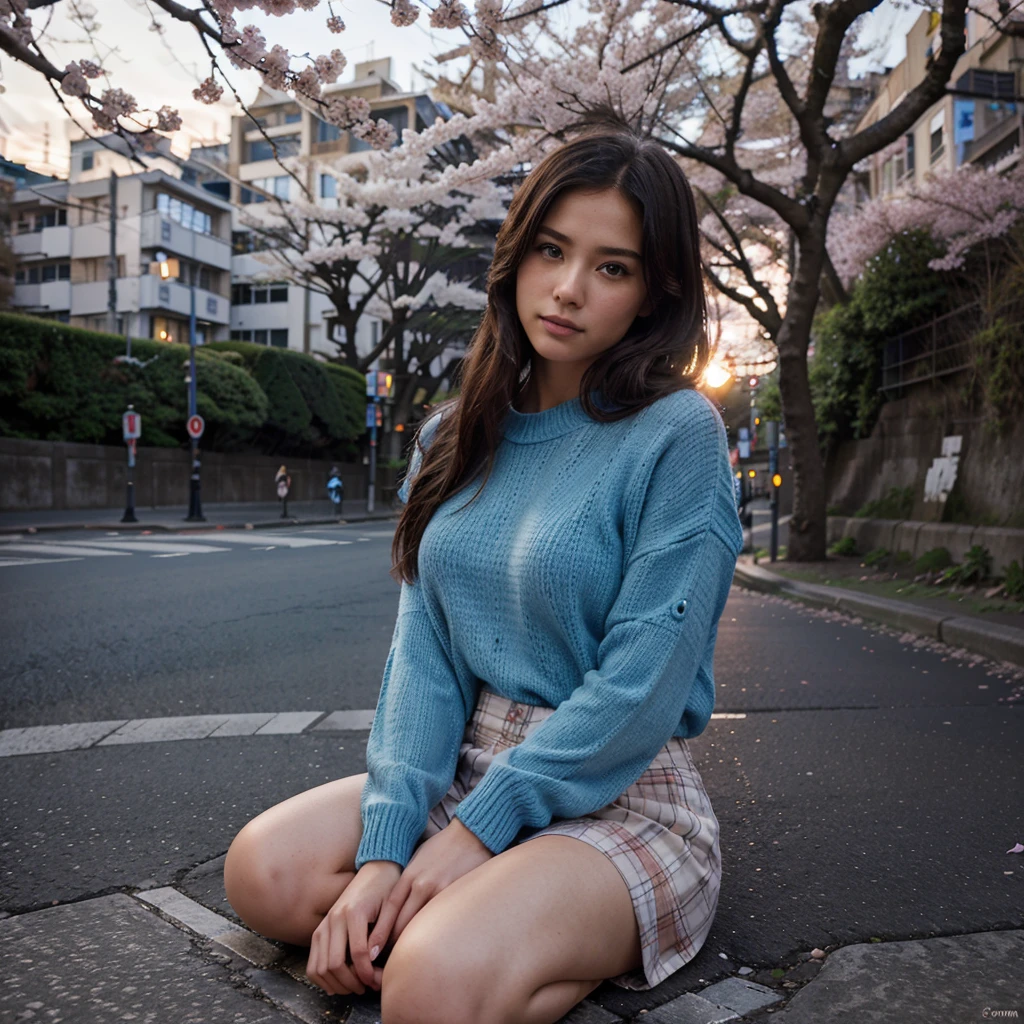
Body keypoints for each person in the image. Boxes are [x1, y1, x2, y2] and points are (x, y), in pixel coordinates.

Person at [223, 115, 743, 1024]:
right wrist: (389, 848)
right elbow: (423, 662)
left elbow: (641, 685)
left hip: (618, 785)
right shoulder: (450, 437)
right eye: (550, 250)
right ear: (516, 255)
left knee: (425, 983)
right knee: (262, 872)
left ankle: (501, 953)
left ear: (653, 294)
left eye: (611, 267)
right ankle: (477, 938)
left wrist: (476, 836)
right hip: (466, 762)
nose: (569, 289)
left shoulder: (677, 435)